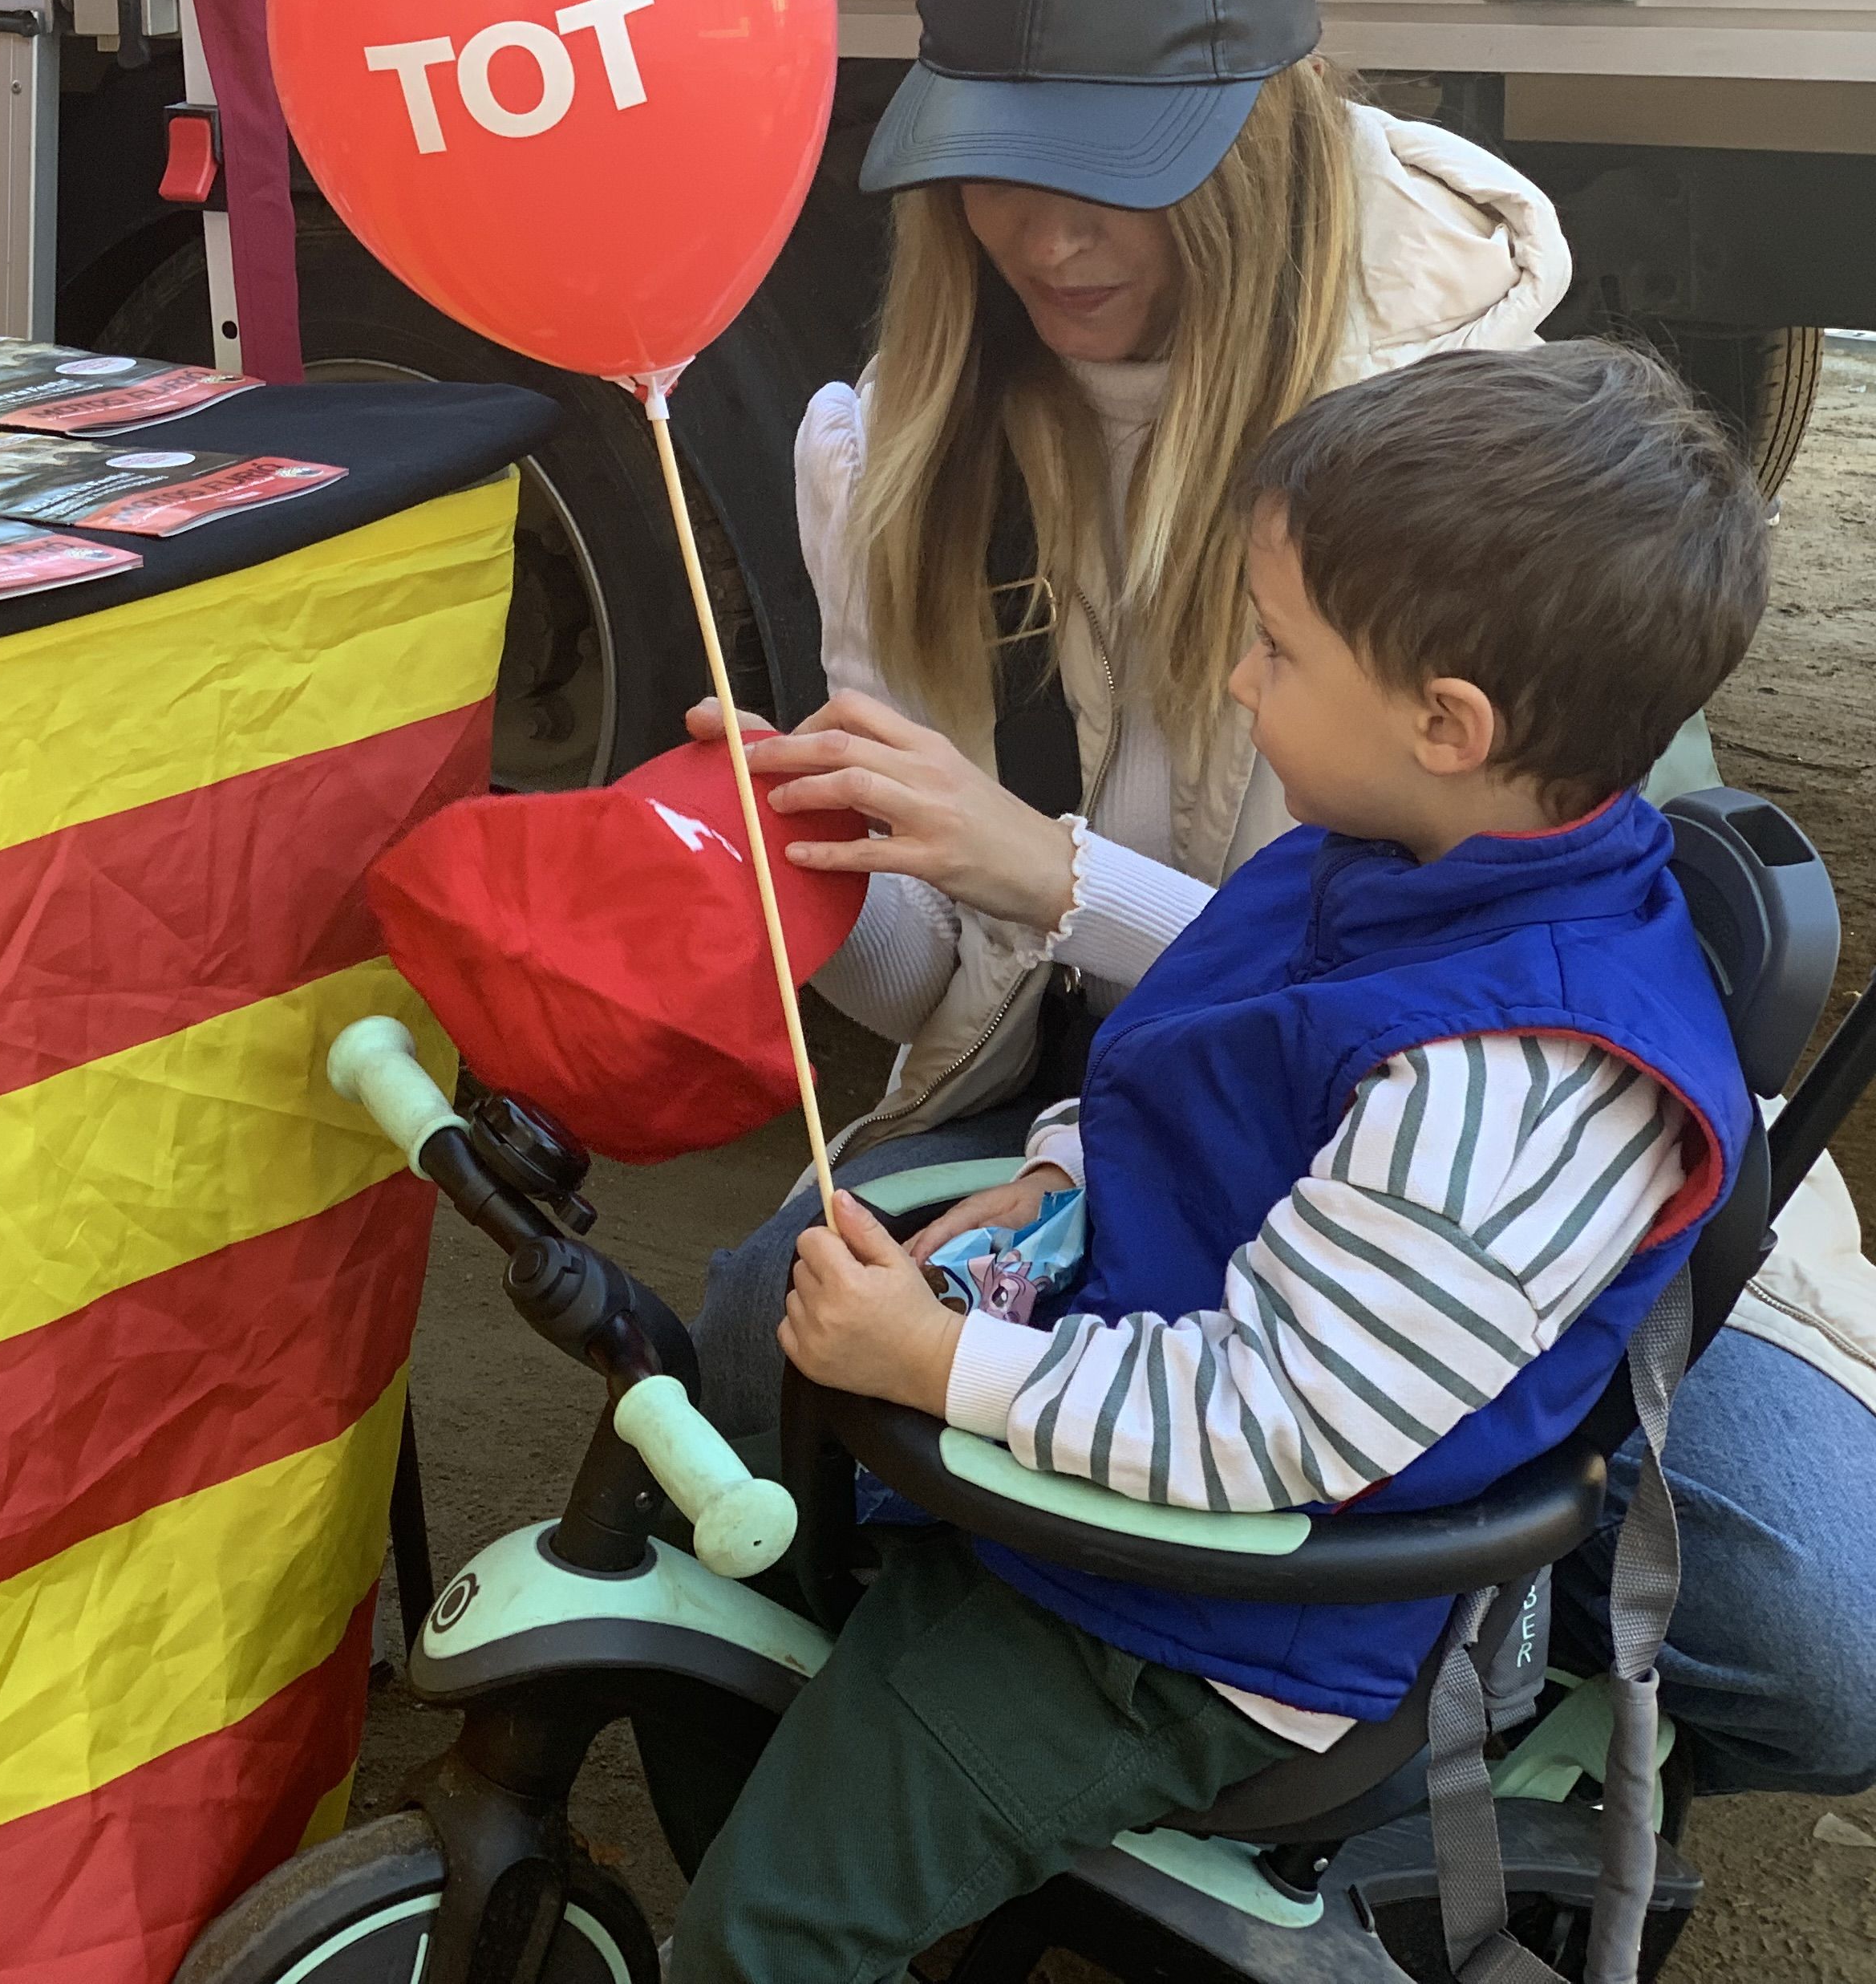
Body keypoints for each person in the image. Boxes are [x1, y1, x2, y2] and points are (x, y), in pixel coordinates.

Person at [692, 0, 1876, 1803]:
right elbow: (955, 987)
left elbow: (1539, 944)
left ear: (1272, 130)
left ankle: (1364, 1648)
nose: (1045, 235)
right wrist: (810, 892)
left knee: (1819, 1640)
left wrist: (1057, 872)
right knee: (754, 1348)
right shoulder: (878, 451)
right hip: (1109, 1115)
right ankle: (1173, 1615)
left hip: (1479, 1123)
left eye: (1112, 174)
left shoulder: (1459, 445)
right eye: (993, 167)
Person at [671, 343, 1765, 1983]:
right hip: (1127, 1474)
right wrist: (1055, 1186)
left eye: (1275, 649)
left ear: (1447, 723)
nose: (1241, 686)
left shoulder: (1509, 1076)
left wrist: (941, 1357)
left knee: (768, 1932)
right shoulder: (1386, 858)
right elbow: (1190, 1071)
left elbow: (1281, 1422)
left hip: (1197, 1624)